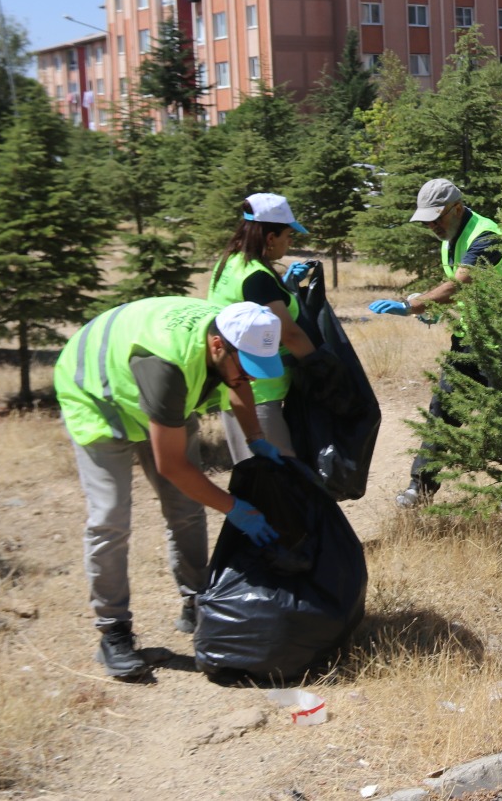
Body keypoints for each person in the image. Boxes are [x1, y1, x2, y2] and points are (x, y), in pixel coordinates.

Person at [55, 298, 285, 680]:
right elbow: (172, 466)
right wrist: (235, 508)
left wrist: (256, 437)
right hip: (98, 396)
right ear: (217, 346)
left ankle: (196, 601)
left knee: (186, 507)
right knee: (110, 517)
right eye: (246, 364)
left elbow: (238, 382)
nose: (254, 377)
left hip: (155, 398)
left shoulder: (235, 328)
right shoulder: (167, 365)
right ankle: (113, 631)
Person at [369, 179, 502, 509]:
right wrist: (432, 307)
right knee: (443, 410)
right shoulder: (450, 237)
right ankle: (421, 488)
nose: (431, 225)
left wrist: (413, 306)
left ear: (457, 209)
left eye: (436, 218)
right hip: (470, 337)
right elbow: (454, 285)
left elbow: (461, 283)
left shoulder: (486, 235)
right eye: (426, 220)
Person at [206, 193, 329, 463]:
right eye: (288, 235)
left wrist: (281, 284)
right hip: (258, 392)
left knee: (263, 477)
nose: (290, 241)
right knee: (280, 475)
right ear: (270, 238)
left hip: (238, 384)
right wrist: (321, 366)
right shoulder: (256, 277)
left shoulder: (229, 263)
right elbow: (288, 332)